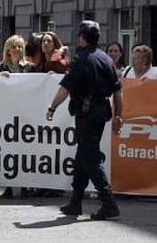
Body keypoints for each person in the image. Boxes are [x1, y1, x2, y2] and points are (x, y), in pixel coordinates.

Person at [46, 20, 122, 220]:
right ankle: (76, 202)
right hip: (102, 112)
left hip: (86, 113)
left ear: (82, 37)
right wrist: (118, 115)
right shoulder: (106, 59)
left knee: (90, 158)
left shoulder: (80, 59)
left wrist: (52, 107)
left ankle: (109, 203)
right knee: (82, 156)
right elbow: (118, 91)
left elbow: (65, 88)